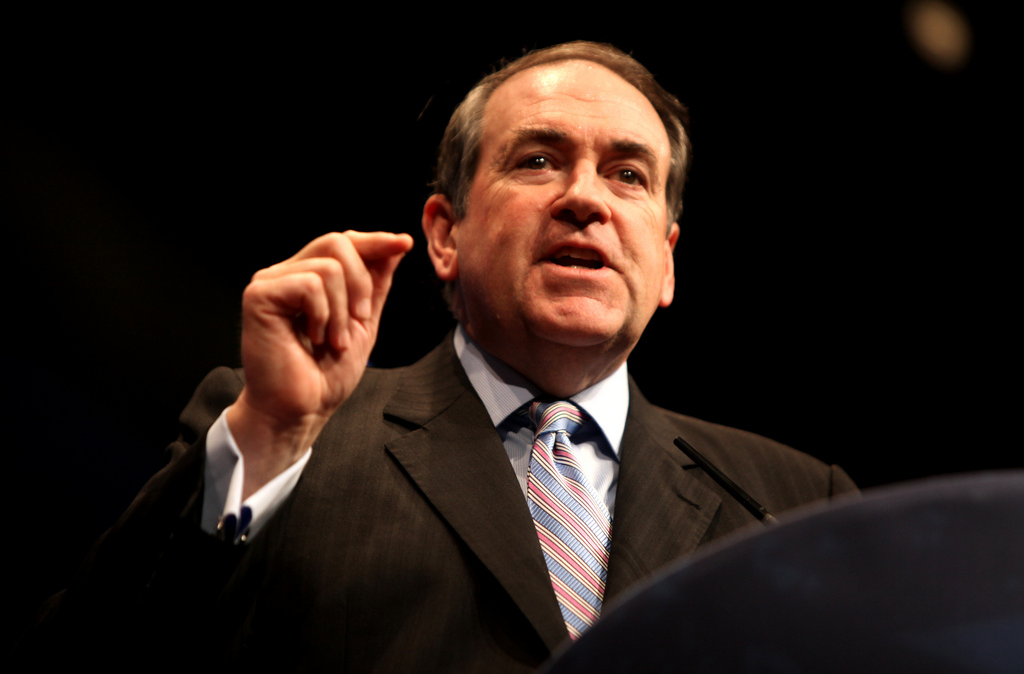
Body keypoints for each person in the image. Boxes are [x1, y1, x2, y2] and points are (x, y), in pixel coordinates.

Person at [21, 41, 856, 672]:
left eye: (629, 175)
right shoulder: (284, 433)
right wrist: (269, 436)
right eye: (539, 160)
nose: (585, 198)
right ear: (445, 234)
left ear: (667, 260)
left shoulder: (792, 503)